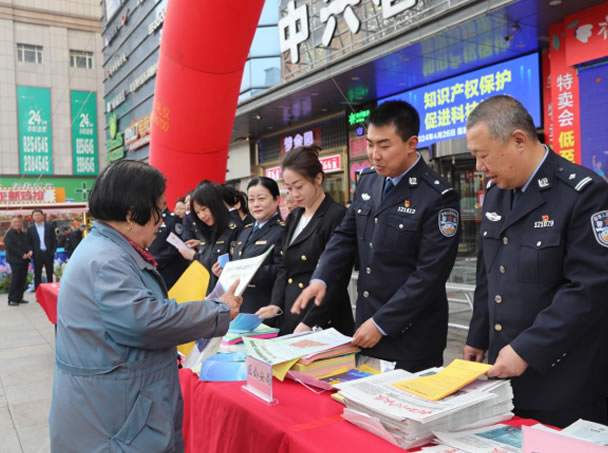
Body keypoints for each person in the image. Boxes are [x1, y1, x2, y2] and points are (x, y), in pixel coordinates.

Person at [49, 160, 242, 453]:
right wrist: (217, 310)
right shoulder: (107, 260)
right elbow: (146, 322)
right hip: (117, 423)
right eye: (158, 210)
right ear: (131, 214)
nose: (162, 221)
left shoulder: (107, 249)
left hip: (112, 410)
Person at [462, 95, 608, 428]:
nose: (479, 167)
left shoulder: (583, 193)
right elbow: (489, 274)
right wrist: (477, 337)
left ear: (518, 140)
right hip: (505, 376)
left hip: (565, 382)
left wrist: (528, 348)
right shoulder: (497, 194)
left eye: (483, 155)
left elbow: (589, 288)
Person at [293, 101, 460, 372]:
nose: (374, 155)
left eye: (384, 146)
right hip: (366, 329)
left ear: (411, 144)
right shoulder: (369, 180)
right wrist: (321, 277)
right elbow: (345, 236)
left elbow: (430, 274)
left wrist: (382, 323)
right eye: (370, 144)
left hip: (411, 339)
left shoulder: (437, 196)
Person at [257, 146, 354, 336]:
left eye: (299, 186)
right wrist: (276, 304)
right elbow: (284, 267)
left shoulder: (336, 216)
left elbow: (337, 278)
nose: (294, 194)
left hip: (322, 318)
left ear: (318, 179)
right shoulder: (294, 217)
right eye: (289, 188)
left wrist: (310, 321)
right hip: (292, 312)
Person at [216, 177, 284, 314]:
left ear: (276, 200)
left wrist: (248, 272)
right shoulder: (246, 230)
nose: (256, 204)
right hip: (240, 306)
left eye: (261, 198)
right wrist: (225, 272)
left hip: (265, 306)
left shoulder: (283, 231)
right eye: (251, 200)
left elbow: (283, 269)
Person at [179, 183, 241, 294]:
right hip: (209, 294)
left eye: (204, 209)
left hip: (229, 294)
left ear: (215, 205)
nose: (202, 216)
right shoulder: (205, 230)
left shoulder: (233, 229)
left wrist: (194, 256)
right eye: (198, 212)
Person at [148, 207, 189, 290]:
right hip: (151, 269)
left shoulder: (172, 219)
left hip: (168, 271)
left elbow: (175, 246)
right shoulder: (149, 219)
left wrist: (155, 260)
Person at [4, 216, 32, 306]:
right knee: (15, 279)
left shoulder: (23, 234)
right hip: (15, 260)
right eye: (15, 222)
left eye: (19, 222)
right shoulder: (8, 234)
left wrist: (29, 251)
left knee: (22, 279)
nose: (17, 224)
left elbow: (27, 244)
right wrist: (22, 254)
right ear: (11, 224)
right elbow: (10, 247)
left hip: (25, 260)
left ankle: (19, 298)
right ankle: (12, 299)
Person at [26, 209, 57, 289]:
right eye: (35, 215)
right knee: (37, 273)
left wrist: (53, 251)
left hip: (48, 253)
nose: (37, 216)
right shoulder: (30, 228)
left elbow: (54, 239)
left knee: (50, 272)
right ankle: (38, 291)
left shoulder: (49, 226)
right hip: (37, 254)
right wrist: (30, 250)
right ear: (33, 217)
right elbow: (28, 242)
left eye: (39, 215)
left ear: (42, 216)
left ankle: (51, 290)